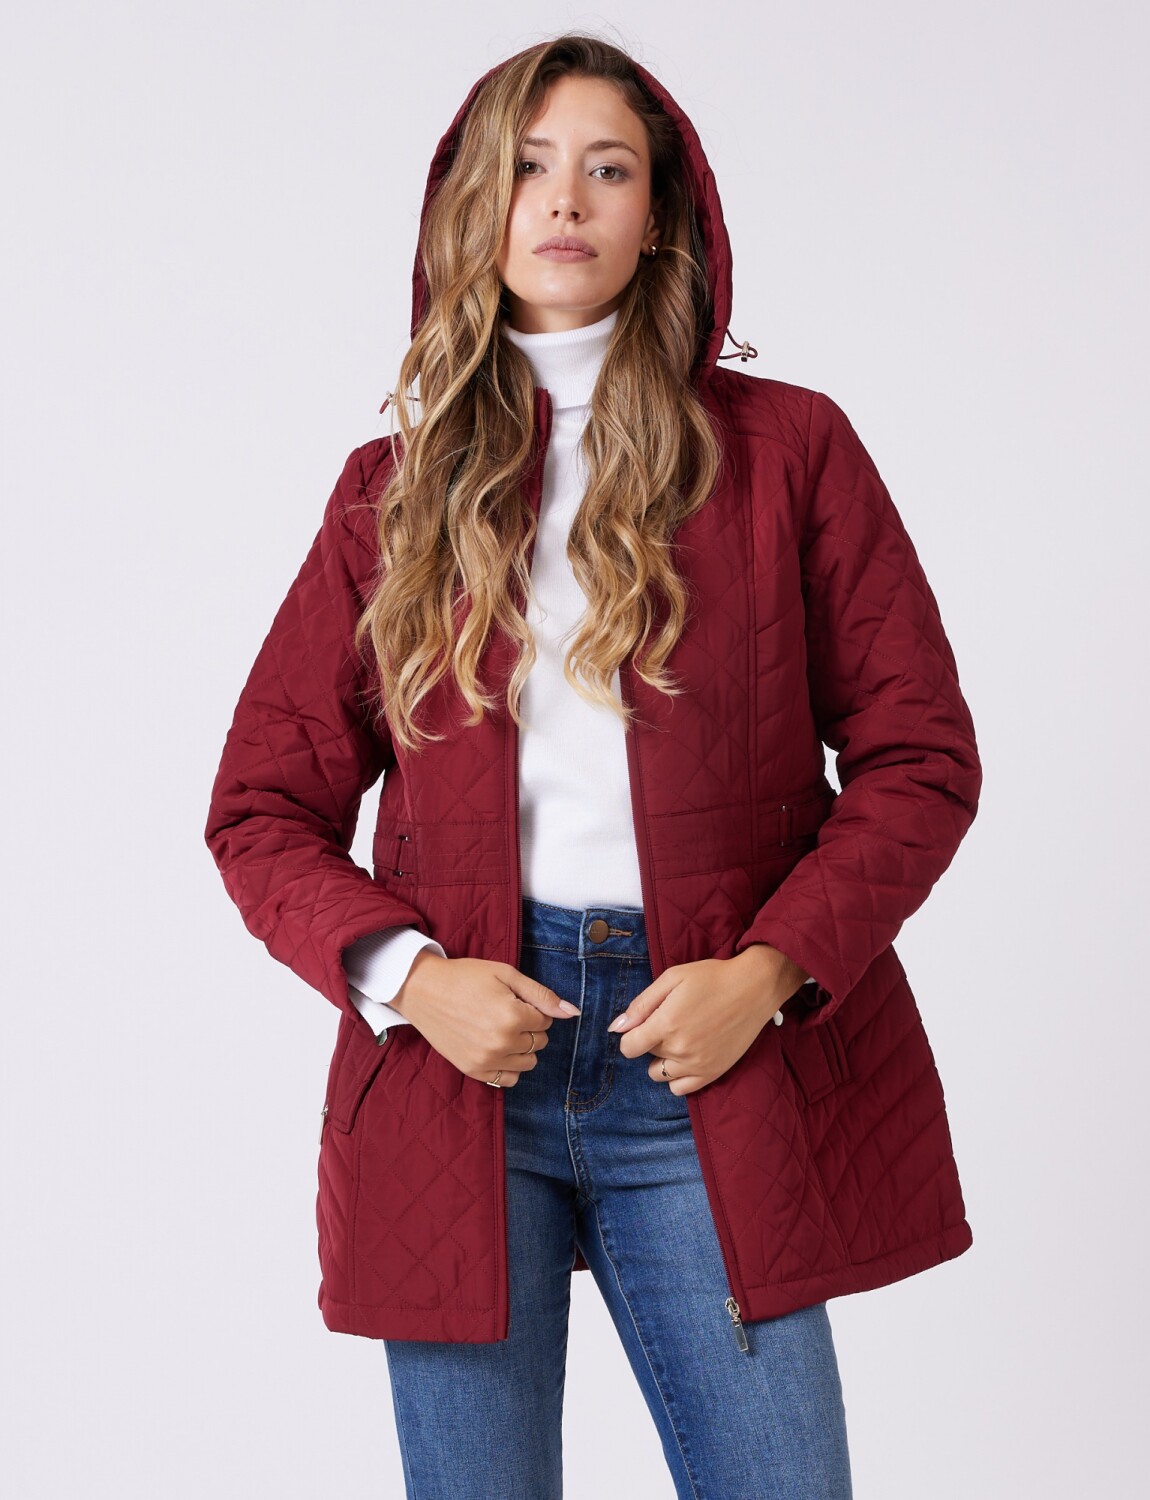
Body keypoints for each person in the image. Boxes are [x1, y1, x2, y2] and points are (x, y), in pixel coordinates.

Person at [205, 31, 982, 1500]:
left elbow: (919, 756)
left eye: (607, 169)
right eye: (528, 167)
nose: (564, 200)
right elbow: (260, 808)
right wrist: (413, 981)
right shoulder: (392, 495)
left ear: (661, 216)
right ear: (474, 210)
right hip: (459, 1066)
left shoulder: (788, 453)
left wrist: (767, 973)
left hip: (704, 1050)